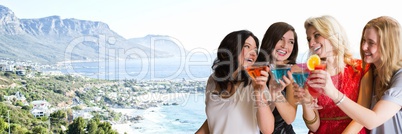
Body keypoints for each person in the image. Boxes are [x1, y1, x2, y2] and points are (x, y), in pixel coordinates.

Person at [310, 16, 402, 133]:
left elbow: (373, 120)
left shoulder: (400, 77)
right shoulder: (371, 71)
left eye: (371, 43)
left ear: (388, 45)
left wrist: (334, 93)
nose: (363, 47)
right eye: (364, 40)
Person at [295, 15, 369, 133]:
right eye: (309, 39)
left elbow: (362, 116)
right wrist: (305, 101)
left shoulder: (362, 69)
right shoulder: (310, 74)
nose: (311, 43)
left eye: (317, 35)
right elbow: (314, 127)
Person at [195, 30, 274, 134]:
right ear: (231, 49)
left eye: (255, 50)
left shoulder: (255, 82)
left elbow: (267, 130)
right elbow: (214, 121)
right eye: (247, 46)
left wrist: (258, 91)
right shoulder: (213, 80)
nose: (253, 54)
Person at [257, 22, 298, 134]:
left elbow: (290, 118)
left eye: (291, 42)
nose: (285, 46)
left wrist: (276, 94)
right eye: (280, 39)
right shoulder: (253, 69)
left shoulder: (292, 71)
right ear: (270, 40)